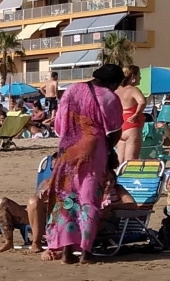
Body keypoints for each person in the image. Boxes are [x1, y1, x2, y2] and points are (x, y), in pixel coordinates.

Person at [40, 63, 125, 262]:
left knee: (66, 198)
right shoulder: (109, 96)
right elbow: (115, 130)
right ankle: (86, 251)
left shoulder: (71, 90)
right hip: (92, 150)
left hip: (67, 149)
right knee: (88, 198)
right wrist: (107, 149)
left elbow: (59, 125)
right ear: (113, 82)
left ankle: (67, 251)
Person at [116, 66, 145, 166]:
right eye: (139, 75)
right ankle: (127, 181)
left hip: (120, 126)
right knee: (131, 162)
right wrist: (137, 114)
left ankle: (117, 180)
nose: (140, 78)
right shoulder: (133, 90)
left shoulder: (117, 90)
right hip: (131, 126)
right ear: (133, 76)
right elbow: (142, 102)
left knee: (120, 161)